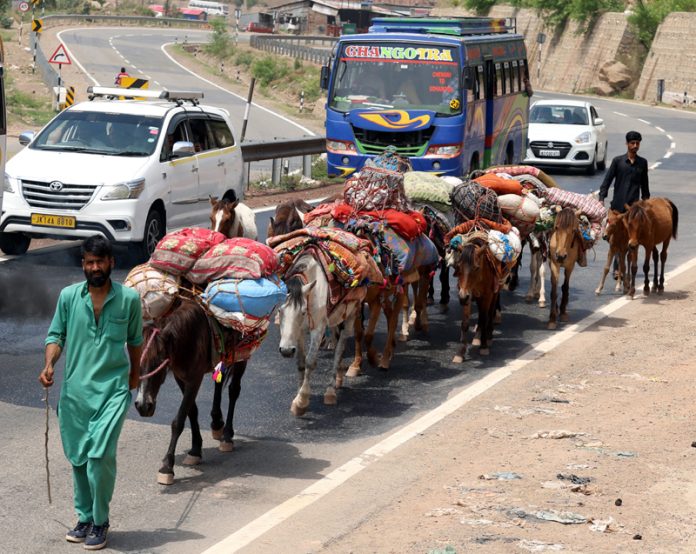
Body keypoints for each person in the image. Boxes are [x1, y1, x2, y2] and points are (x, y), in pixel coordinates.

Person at [39, 235, 143, 550]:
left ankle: (100, 521)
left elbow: (135, 342)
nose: (94, 267)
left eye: (99, 261)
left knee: (99, 457)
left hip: (112, 391)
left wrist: (134, 377)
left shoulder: (129, 299)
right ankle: (83, 518)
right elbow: (56, 335)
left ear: (111, 262)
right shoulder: (69, 297)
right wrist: (49, 364)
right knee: (79, 458)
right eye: (88, 262)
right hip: (74, 393)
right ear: (83, 264)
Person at [598, 130, 650, 276]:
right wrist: (601, 198)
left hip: (633, 209)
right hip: (617, 208)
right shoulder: (617, 161)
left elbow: (645, 185)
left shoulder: (642, 163)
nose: (635, 146)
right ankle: (617, 266)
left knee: (631, 237)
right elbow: (607, 181)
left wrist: (646, 202)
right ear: (626, 144)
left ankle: (622, 267)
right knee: (614, 237)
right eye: (632, 143)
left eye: (637, 143)